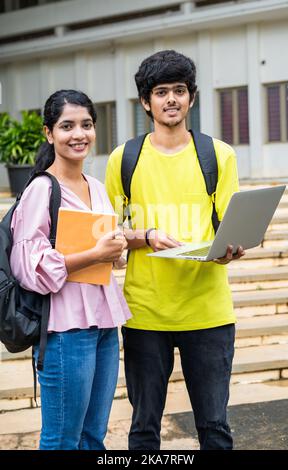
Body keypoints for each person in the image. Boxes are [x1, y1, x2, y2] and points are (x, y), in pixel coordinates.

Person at [105, 50, 245, 450]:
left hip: (209, 311)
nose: (171, 99)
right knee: (144, 429)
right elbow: (110, 233)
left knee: (215, 428)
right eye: (161, 91)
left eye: (179, 90)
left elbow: (232, 227)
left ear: (192, 98)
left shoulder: (218, 155)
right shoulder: (124, 158)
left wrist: (232, 249)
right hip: (146, 313)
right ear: (146, 102)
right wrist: (145, 236)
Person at [10, 89, 131, 450]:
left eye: (86, 125)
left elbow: (107, 252)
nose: (79, 134)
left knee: (93, 436)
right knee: (63, 439)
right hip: (65, 330)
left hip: (105, 325)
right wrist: (95, 253)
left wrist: (115, 249)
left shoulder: (95, 186)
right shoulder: (40, 190)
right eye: (67, 126)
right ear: (49, 133)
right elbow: (28, 267)